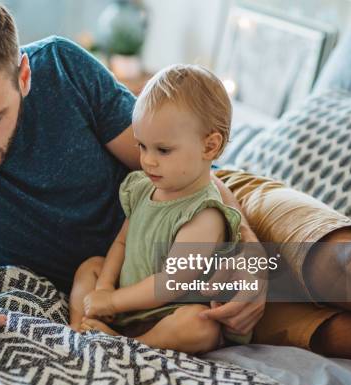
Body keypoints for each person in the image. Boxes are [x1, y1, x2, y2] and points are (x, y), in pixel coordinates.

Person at [0, 0, 351, 367]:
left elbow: (167, 161)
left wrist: (249, 254)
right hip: (139, 279)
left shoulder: (63, 68)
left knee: (350, 273)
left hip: (210, 199)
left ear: (23, 75)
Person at [69, 65, 251, 354]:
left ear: (209, 147)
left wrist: (114, 301)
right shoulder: (143, 189)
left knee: (200, 326)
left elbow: (170, 284)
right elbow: (121, 242)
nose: (148, 161)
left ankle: (133, 346)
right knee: (89, 266)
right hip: (123, 305)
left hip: (167, 313)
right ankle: (82, 328)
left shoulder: (205, 215)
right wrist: (104, 287)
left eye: (163, 150)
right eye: (142, 146)